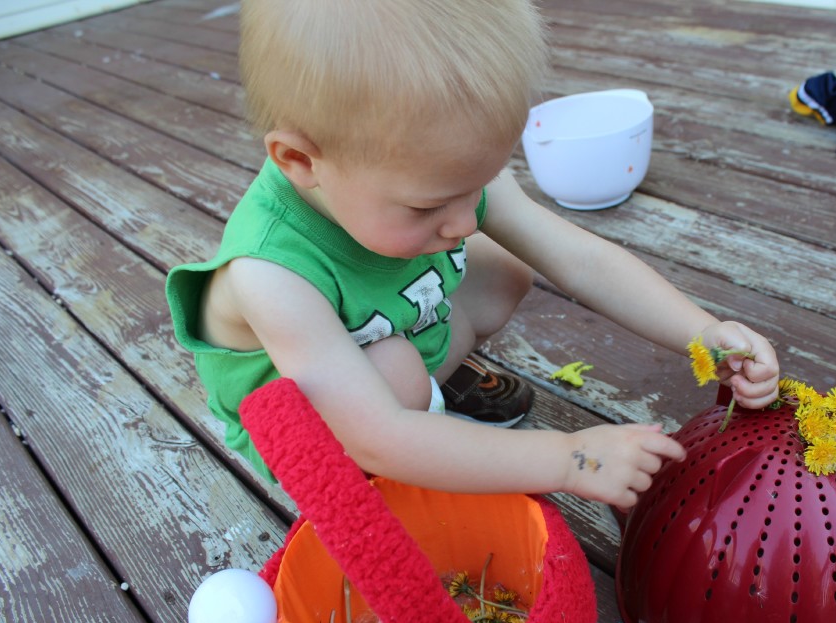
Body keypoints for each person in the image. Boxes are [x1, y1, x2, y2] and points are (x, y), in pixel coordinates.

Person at [165, 0, 780, 510]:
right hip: (318, 429)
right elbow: (377, 436)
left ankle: (433, 399)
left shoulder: (414, 178)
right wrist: (570, 458)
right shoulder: (271, 274)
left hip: (390, 338)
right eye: (429, 206)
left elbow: (580, 261)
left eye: (476, 185)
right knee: (395, 376)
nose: (462, 221)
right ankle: (424, 430)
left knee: (503, 264)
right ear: (300, 162)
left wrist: (703, 331)